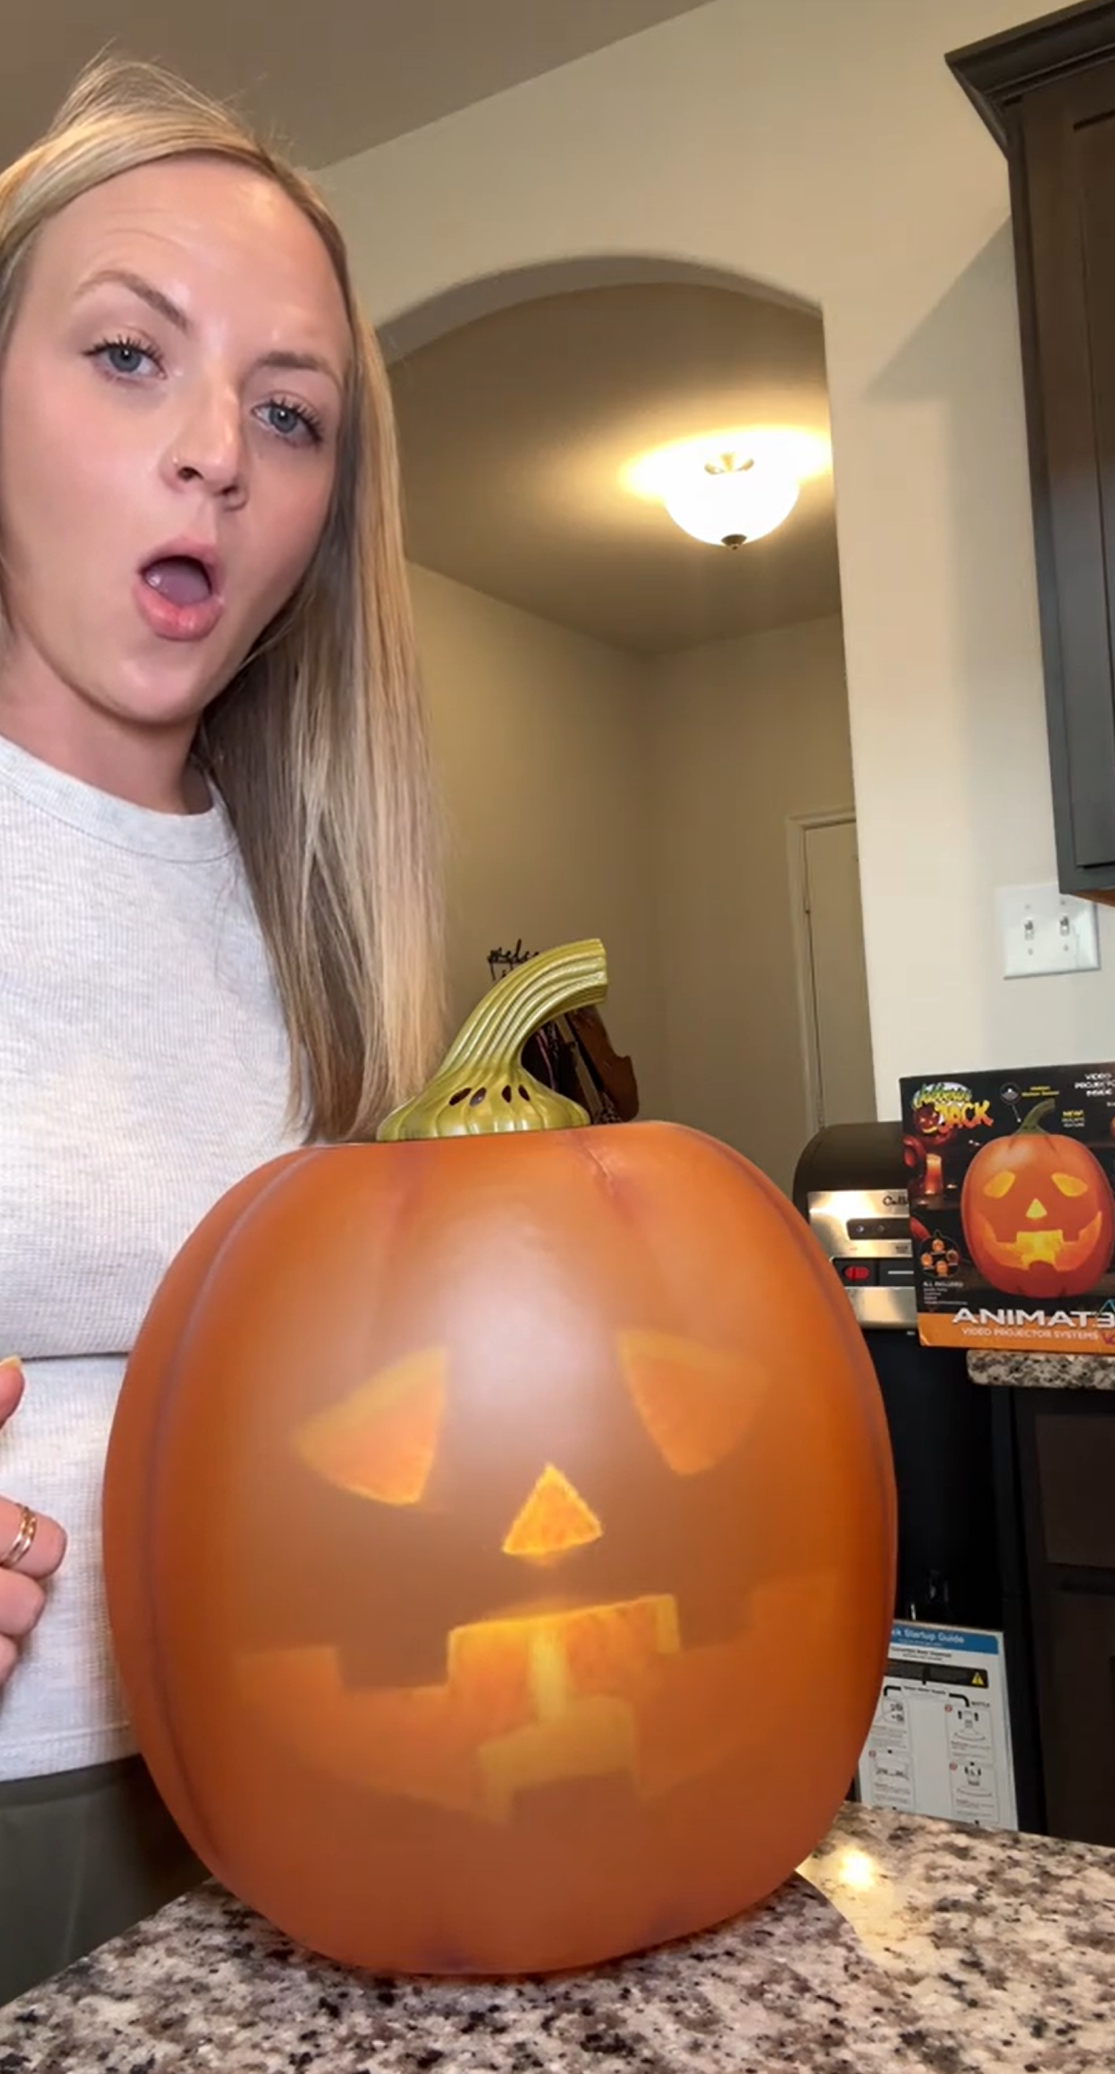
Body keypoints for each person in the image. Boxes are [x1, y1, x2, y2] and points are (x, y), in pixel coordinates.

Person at [0, 55, 444, 2004]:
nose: (217, 454)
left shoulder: (320, 916)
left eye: (288, 411)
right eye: (128, 356)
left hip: (304, 1785)